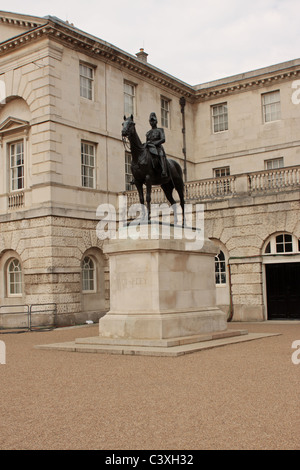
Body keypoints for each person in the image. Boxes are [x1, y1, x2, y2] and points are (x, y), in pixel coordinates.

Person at [145, 112, 168, 178]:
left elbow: (163, 139)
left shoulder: (160, 130)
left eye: (153, 120)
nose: (152, 122)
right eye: (151, 121)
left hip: (158, 147)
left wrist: (155, 143)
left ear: (156, 121)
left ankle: (164, 171)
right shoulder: (148, 133)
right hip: (150, 148)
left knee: (161, 154)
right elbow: (147, 141)